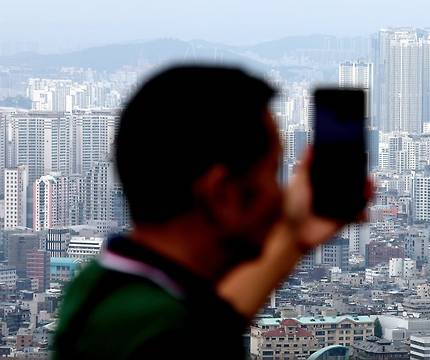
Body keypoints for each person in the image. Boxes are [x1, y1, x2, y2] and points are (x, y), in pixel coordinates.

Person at [52, 66, 371, 359]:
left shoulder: (101, 286)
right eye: (273, 174)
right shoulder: (167, 338)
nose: (280, 195)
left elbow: (214, 318)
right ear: (223, 192)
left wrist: (294, 235)